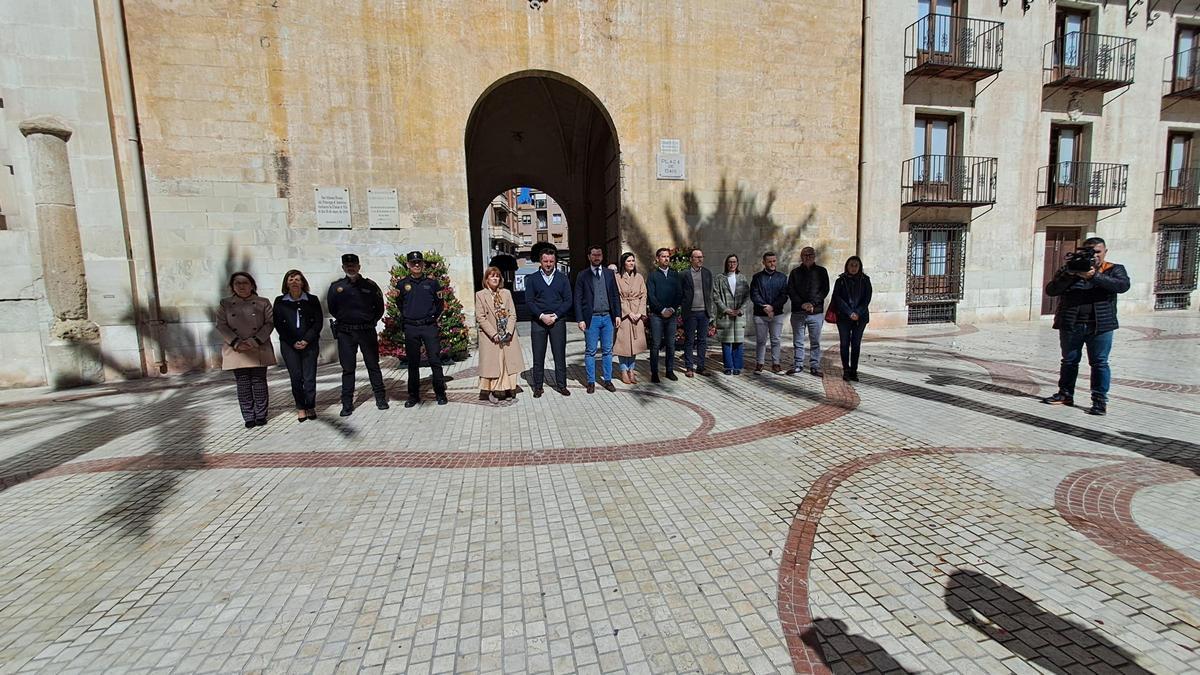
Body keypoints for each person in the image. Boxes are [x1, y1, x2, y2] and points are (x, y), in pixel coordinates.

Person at [1042, 236, 1130, 416]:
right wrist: (1070, 276)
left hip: (1100, 326)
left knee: (1099, 363)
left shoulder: (1113, 269)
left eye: (1097, 252)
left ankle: (1099, 400)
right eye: (1089, 252)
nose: (1094, 256)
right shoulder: (1070, 269)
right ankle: (1065, 394)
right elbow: (1051, 290)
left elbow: (1122, 286)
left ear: (1105, 252)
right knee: (1069, 361)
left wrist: (1094, 276)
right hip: (1071, 323)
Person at [327, 253, 388, 417]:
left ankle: (381, 399)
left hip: (366, 331)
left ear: (359, 266)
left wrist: (371, 321)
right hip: (346, 332)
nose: (350, 267)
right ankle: (347, 404)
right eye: (347, 265)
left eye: (353, 264)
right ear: (343, 267)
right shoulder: (336, 287)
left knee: (373, 366)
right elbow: (332, 308)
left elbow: (379, 308)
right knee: (348, 369)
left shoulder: (370, 285)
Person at [216, 271, 276, 428]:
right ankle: (248, 416)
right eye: (237, 283)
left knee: (259, 381)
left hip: (258, 347)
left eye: (245, 283)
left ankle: (261, 414)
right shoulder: (225, 303)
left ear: (252, 285)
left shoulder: (263, 302)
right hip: (236, 349)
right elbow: (221, 325)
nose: (241, 286)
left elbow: (269, 323)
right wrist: (236, 342)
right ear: (232, 286)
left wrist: (254, 340)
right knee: (242, 383)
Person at [396, 251, 447, 407]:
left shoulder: (432, 284)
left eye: (419, 262)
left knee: (435, 360)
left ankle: (440, 393)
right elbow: (399, 304)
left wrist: (432, 318)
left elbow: (439, 305)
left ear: (423, 264)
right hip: (411, 327)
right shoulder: (402, 284)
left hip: (428, 326)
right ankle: (413, 396)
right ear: (408, 265)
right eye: (413, 263)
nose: (416, 265)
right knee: (413, 363)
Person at [273, 269, 323, 422]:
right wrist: (293, 341)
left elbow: (318, 322)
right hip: (289, 345)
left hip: (310, 344)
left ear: (303, 283)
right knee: (296, 377)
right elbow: (278, 324)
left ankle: (310, 406)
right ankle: (300, 407)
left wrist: (306, 340)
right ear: (286, 284)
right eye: (291, 279)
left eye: (298, 279)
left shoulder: (312, 300)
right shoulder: (280, 301)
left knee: (309, 377)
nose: (294, 282)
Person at [574, 244, 623, 393]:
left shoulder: (609, 274)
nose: (597, 257)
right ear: (589, 257)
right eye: (594, 255)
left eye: (599, 255)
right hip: (591, 319)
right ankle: (591, 382)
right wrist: (580, 319)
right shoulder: (582, 275)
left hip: (608, 317)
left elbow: (615, 295)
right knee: (590, 351)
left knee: (608, 350)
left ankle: (607, 380)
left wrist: (618, 315)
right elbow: (577, 298)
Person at [525, 249, 573, 398]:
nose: (548, 264)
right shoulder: (532, 279)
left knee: (559, 354)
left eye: (551, 261)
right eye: (545, 261)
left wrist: (556, 315)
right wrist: (541, 316)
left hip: (557, 321)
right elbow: (529, 301)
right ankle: (538, 387)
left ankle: (561, 385)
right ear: (541, 261)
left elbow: (568, 301)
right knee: (538, 355)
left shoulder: (562, 278)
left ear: (555, 261)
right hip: (538, 322)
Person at [475, 266, 524, 404]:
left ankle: (508, 388)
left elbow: (513, 314)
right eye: (492, 276)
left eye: (497, 276)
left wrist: (509, 331)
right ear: (486, 279)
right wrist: (493, 334)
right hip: (491, 337)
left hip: (507, 335)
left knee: (507, 363)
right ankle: (491, 390)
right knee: (493, 364)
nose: (495, 278)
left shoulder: (506, 293)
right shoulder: (480, 295)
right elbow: (481, 317)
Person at [787, 246, 830, 377]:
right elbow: (791, 291)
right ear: (801, 257)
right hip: (798, 312)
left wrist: (812, 303)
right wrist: (802, 304)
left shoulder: (822, 271)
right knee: (798, 341)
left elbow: (824, 290)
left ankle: (814, 366)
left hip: (815, 312)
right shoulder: (795, 273)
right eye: (805, 255)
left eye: (810, 254)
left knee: (815, 341)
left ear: (814, 256)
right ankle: (798, 365)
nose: (808, 257)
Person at [645, 247, 683, 383]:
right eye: (663, 256)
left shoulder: (674, 275)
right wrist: (662, 310)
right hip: (657, 316)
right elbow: (651, 296)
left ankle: (669, 370)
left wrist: (672, 309)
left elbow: (679, 294)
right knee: (655, 344)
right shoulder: (652, 276)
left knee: (671, 344)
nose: (666, 259)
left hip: (671, 316)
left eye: (668, 256)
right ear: (657, 259)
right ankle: (654, 372)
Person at [831, 256, 872, 381]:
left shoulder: (865, 280)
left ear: (859, 267)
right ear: (847, 266)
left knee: (856, 344)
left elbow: (867, 299)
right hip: (844, 317)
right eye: (851, 265)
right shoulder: (841, 281)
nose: (853, 268)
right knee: (844, 344)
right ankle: (846, 370)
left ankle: (854, 370)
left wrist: (858, 312)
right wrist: (849, 313)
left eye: (856, 265)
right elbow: (837, 298)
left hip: (861, 317)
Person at [750, 251, 789, 374]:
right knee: (761, 340)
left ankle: (776, 364)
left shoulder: (782, 277)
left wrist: (773, 308)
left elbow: (784, 296)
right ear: (764, 262)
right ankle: (759, 363)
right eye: (769, 261)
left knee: (776, 340)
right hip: (760, 315)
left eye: (774, 261)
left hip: (777, 314)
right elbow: (754, 294)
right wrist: (765, 307)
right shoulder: (757, 277)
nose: (772, 263)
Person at [613, 252, 649, 385]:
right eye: (628, 261)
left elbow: (643, 295)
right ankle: (623, 370)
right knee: (623, 345)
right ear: (623, 263)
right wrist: (628, 312)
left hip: (637, 314)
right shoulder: (616, 277)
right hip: (624, 316)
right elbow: (617, 297)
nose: (631, 263)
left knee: (634, 345)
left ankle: (631, 370)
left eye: (633, 261)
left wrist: (639, 313)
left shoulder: (639, 277)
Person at [712, 253, 750, 375]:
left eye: (734, 262)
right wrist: (726, 309)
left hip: (738, 315)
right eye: (730, 262)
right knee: (726, 342)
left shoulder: (742, 278)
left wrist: (740, 309)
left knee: (738, 342)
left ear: (737, 264)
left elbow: (747, 296)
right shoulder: (719, 278)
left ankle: (737, 367)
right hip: (725, 315)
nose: (732, 264)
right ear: (726, 264)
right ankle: (728, 367)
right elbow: (715, 296)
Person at [680, 248, 714, 377]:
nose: (700, 259)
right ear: (691, 259)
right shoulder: (684, 274)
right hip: (690, 313)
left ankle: (701, 366)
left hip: (703, 312)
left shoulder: (707, 273)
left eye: (701, 257)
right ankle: (689, 367)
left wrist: (709, 310)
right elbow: (680, 292)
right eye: (697, 257)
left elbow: (709, 291)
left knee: (702, 341)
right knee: (689, 340)